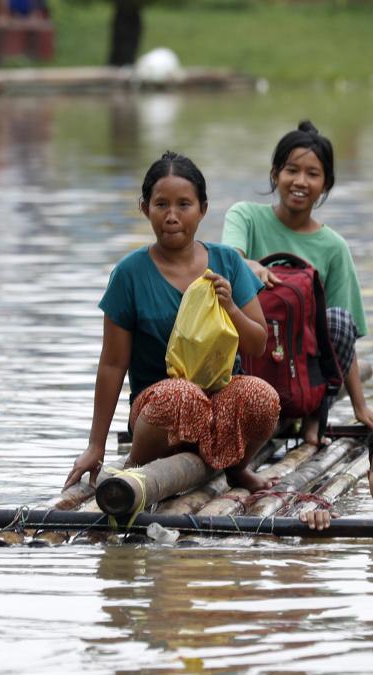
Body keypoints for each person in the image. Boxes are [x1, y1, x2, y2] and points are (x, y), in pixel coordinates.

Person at [65, 152, 282, 493]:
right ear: (144, 209)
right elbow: (112, 363)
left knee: (262, 396)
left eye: (184, 205)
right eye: (161, 205)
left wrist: (231, 308)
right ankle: (138, 469)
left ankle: (237, 469)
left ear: (203, 210)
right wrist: (96, 446)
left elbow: (257, 343)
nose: (172, 216)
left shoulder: (227, 262)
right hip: (160, 411)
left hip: (220, 403)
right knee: (183, 396)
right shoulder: (129, 274)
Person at [222, 119, 373, 444]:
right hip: (249, 358)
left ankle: (313, 420)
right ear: (275, 174)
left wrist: (359, 406)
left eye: (312, 174)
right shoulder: (246, 217)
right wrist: (249, 264)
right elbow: (228, 261)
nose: (300, 181)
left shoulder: (333, 247)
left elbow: (344, 337)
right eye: (291, 170)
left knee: (337, 320)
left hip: (300, 374)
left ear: (326, 185)